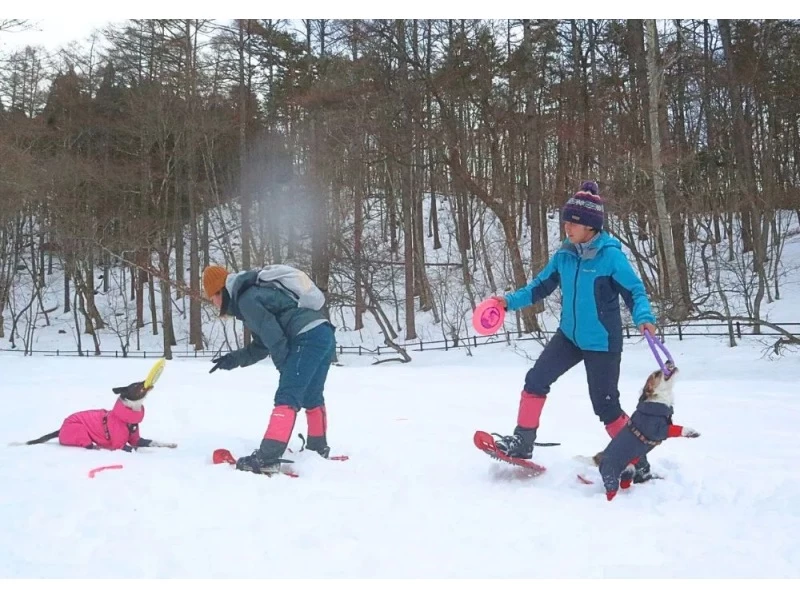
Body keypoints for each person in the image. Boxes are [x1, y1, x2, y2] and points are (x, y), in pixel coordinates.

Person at [488, 180, 658, 483]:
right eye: (566, 221)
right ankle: (522, 442)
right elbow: (539, 286)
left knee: (606, 406)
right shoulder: (565, 255)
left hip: (602, 341)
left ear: (591, 226)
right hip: (569, 336)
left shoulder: (611, 257)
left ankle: (637, 460)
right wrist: (508, 301)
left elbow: (634, 291)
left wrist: (644, 317)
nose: (567, 227)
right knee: (536, 380)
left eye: (573, 222)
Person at [202, 264, 337, 475]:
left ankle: (267, 458)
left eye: (212, 298)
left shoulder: (246, 300)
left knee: (287, 396)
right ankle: (318, 448)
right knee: (312, 395)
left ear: (220, 291)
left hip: (306, 336)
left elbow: (274, 338)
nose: (214, 304)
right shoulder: (252, 295)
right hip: (322, 332)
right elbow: (262, 344)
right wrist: (234, 359)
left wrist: (286, 370)